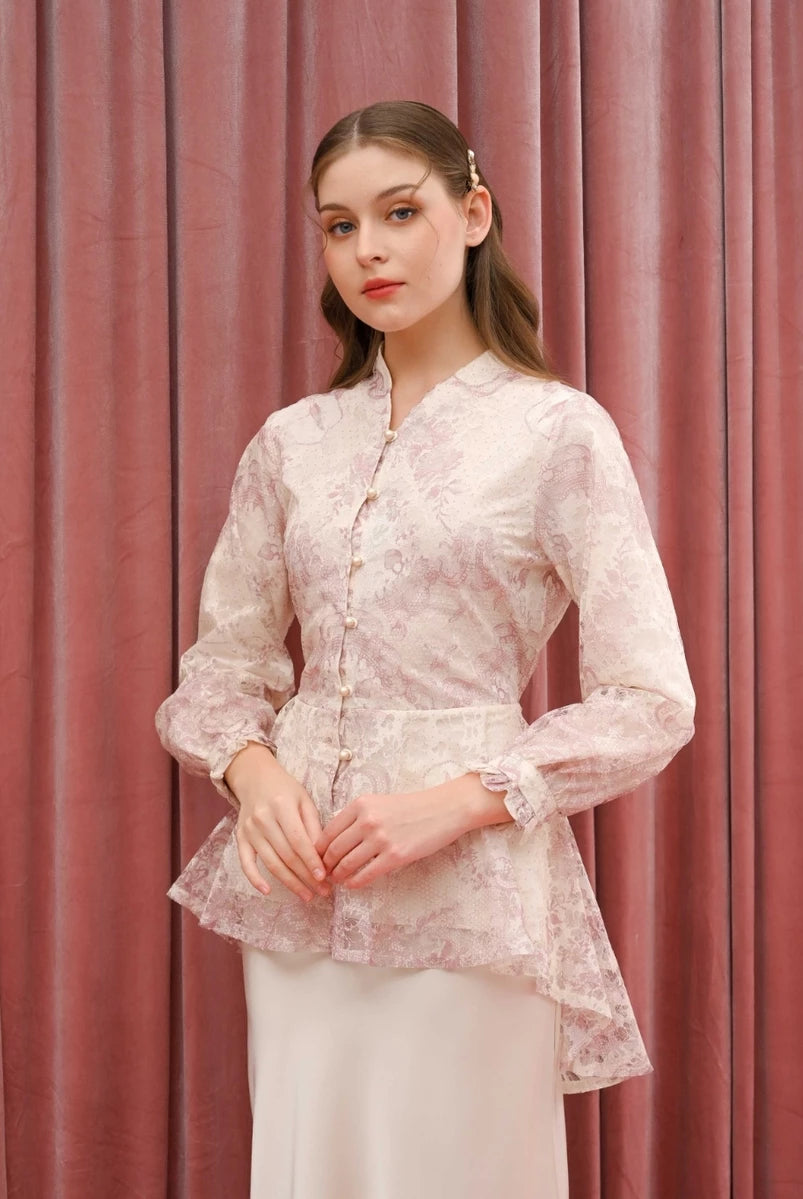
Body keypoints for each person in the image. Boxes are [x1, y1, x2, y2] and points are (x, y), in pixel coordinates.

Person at [155, 100, 695, 1199]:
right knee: (312, 1165)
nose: (368, 251)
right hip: (298, 891)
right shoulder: (293, 442)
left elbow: (650, 698)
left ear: (473, 212)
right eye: (338, 225)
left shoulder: (557, 432)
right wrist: (250, 772)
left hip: (470, 899)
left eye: (399, 212)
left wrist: (458, 799)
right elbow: (219, 668)